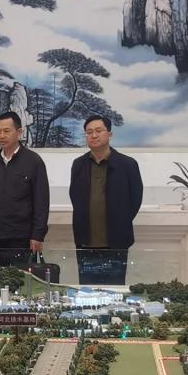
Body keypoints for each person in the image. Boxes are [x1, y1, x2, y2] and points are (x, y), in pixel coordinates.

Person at [69, 115, 143, 285]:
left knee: (114, 289)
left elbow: (135, 199)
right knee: (87, 289)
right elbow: (75, 196)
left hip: (116, 241)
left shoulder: (128, 164)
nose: (93, 135)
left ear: (110, 134)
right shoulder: (78, 164)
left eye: (98, 131)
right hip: (86, 241)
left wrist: (120, 220)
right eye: (89, 132)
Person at [0, 111, 50, 268]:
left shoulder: (34, 162)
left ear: (19, 132)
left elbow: (41, 202)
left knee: (21, 281)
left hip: (22, 238)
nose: (1, 136)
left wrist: (38, 235)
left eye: (6, 131)